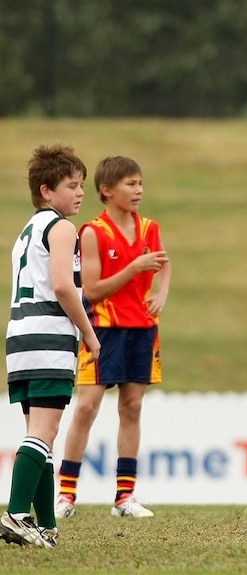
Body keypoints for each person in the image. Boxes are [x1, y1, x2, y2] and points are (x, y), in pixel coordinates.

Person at [54, 156, 170, 519]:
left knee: (132, 407)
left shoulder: (150, 227)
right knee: (87, 408)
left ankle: (125, 497)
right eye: (130, 184)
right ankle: (66, 494)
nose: (138, 190)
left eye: (140, 183)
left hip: (143, 329)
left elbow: (164, 263)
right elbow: (92, 290)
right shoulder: (93, 233)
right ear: (107, 191)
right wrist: (134, 268)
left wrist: (161, 293)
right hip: (102, 329)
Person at [3, 144, 101, 548]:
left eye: (81, 185)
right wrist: (89, 333)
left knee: (41, 434)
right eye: (71, 185)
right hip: (48, 337)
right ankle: (17, 513)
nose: (80, 193)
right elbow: (63, 285)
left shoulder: (27, 231)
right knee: (43, 432)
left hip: (21, 338)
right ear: (47, 190)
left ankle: (46, 527)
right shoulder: (61, 228)